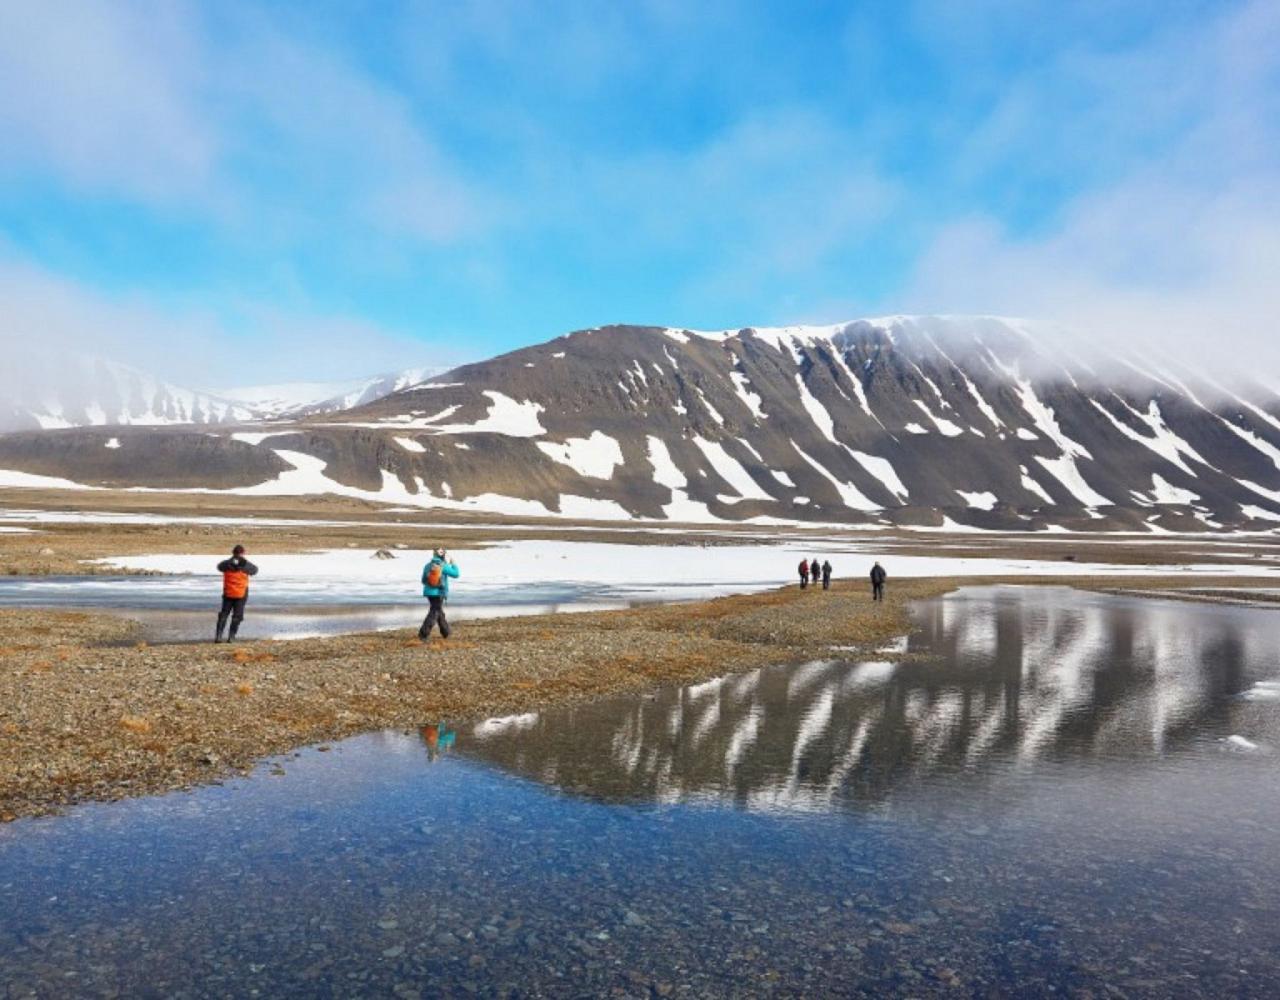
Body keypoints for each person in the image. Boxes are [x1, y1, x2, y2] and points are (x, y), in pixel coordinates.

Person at [215, 544, 258, 643]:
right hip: (241, 594)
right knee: (237, 616)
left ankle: (218, 637)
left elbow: (219, 567)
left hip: (228, 593)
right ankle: (231, 637)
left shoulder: (226, 564)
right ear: (243, 553)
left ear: (233, 552)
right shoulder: (245, 564)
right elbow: (255, 570)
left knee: (224, 614)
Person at [419, 547, 460, 640]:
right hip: (439, 593)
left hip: (429, 593)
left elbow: (423, 580)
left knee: (438, 612)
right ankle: (423, 634)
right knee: (434, 613)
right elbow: (456, 574)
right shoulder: (443, 566)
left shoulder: (427, 565)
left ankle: (446, 632)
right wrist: (453, 563)